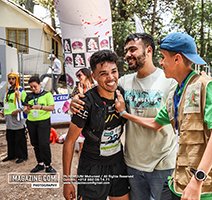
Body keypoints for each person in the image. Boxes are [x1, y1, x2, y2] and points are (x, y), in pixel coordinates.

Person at [114, 32, 212, 200]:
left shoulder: (206, 86)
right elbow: (156, 123)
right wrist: (125, 113)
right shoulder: (175, 94)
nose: (160, 62)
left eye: (163, 57)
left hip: (205, 189)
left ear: (177, 59)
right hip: (181, 183)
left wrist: (197, 181)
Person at [71, 33, 177, 200]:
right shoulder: (123, 83)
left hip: (163, 164)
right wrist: (76, 99)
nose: (127, 54)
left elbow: (160, 123)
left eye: (133, 49)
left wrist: (124, 113)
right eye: (126, 50)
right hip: (132, 164)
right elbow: (99, 90)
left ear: (148, 50)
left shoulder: (169, 81)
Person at [63, 50, 130, 200]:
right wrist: (67, 181)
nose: (111, 77)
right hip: (92, 167)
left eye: (113, 71)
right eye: (103, 73)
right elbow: (69, 142)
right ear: (93, 76)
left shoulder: (123, 94)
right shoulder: (85, 103)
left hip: (117, 162)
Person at [23, 76, 56, 173]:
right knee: (35, 143)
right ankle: (40, 163)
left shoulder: (47, 94)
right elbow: (26, 111)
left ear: (40, 84)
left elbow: (52, 108)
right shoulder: (28, 96)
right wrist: (27, 110)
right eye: (31, 87)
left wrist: (40, 107)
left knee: (44, 144)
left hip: (43, 121)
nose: (33, 89)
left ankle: (48, 165)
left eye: (35, 86)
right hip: (31, 122)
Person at [1, 72, 28, 163]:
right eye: (9, 79)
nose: (11, 80)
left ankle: (22, 156)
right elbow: (6, 103)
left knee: (19, 137)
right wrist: (3, 111)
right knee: (10, 137)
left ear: (17, 79)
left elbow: (26, 105)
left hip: (17, 117)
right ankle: (11, 154)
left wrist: (18, 110)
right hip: (8, 117)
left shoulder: (20, 91)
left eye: (13, 79)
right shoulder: (8, 91)